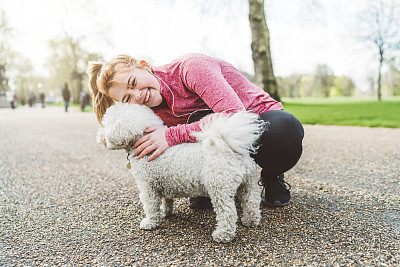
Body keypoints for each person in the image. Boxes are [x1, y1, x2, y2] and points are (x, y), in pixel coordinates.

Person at [88, 53, 304, 208]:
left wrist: (172, 135)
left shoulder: (191, 67)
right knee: (190, 127)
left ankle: (272, 175)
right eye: (127, 98)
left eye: (133, 82)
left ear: (144, 66)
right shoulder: (148, 109)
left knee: (284, 130)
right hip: (220, 141)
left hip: (259, 121)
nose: (137, 95)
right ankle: (213, 184)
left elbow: (234, 114)